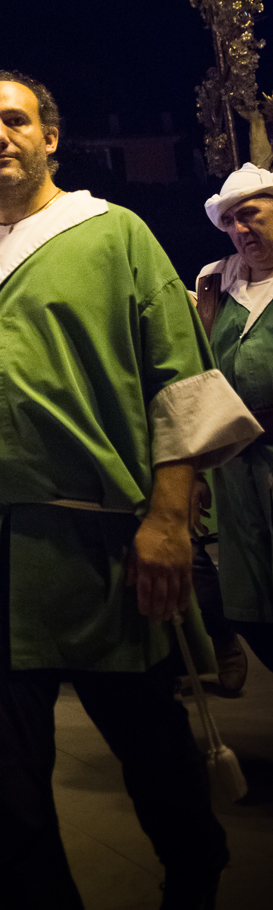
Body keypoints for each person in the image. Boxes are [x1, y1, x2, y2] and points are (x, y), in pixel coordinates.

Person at [0, 72, 261, 910]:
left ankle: (195, 882)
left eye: (15, 120)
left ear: (51, 138)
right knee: (8, 797)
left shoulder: (115, 235)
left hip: (103, 552)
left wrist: (168, 518)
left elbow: (178, 381)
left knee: (158, 759)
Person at [196, 163, 273, 674]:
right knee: (249, 606)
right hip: (235, 470)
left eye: (250, 214)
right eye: (230, 222)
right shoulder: (215, 285)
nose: (241, 229)